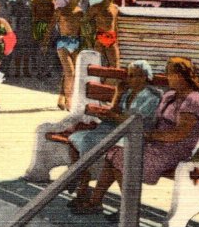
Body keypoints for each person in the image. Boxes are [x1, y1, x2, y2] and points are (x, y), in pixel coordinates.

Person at [74, 57, 199, 217]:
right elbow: (154, 121)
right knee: (113, 154)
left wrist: (149, 135)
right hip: (157, 145)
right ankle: (96, 202)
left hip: (174, 151)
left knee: (119, 157)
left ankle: (129, 210)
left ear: (182, 76)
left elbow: (179, 133)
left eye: (171, 74)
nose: (168, 77)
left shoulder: (192, 100)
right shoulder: (170, 96)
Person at [65, 60, 162, 209]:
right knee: (75, 139)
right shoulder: (128, 91)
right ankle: (82, 181)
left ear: (145, 76)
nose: (131, 79)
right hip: (114, 128)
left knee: (95, 144)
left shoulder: (152, 96)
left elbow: (135, 122)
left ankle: (81, 182)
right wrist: (118, 94)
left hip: (132, 134)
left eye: (136, 76)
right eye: (130, 76)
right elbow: (115, 111)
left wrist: (113, 116)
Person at [51, 0, 84, 111]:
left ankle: (61, 98)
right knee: (70, 72)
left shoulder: (80, 12)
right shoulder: (60, 9)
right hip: (63, 42)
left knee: (69, 73)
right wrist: (44, 42)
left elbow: (82, 30)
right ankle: (69, 101)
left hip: (75, 42)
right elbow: (50, 26)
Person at [84, 0, 120, 69]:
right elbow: (84, 20)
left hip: (111, 36)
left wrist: (116, 38)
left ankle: (111, 81)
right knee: (97, 63)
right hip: (101, 35)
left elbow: (115, 24)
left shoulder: (115, 8)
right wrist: (88, 36)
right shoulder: (96, 7)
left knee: (115, 64)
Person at [31, 0, 56, 78]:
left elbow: (33, 16)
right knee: (48, 49)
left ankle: (40, 70)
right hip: (47, 25)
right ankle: (47, 70)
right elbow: (53, 16)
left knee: (40, 49)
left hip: (37, 25)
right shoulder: (50, 0)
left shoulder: (34, 0)